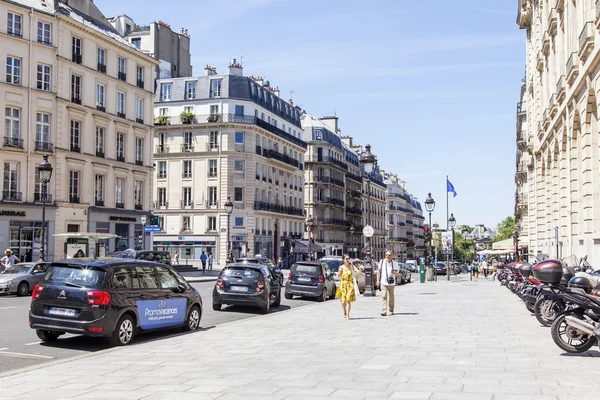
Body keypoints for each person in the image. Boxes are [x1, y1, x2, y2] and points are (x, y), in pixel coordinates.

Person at [376, 251, 401, 316]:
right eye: (386, 255)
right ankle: (383, 311)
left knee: (391, 297)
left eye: (389, 255)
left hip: (391, 283)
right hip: (383, 282)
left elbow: (398, 273)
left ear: (392, 256)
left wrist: (394, 273)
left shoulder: (394, 263)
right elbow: (378, 271)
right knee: (383, 296)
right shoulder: (382, 262)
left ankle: (391, 310)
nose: (388, 256)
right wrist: (378, 280)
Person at [335, 254, 356, 320]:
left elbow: (358, 272)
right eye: (346, 259)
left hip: (350, 285)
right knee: (343, 301)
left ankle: (348, 314)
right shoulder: (341, 267)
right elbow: (338, 276)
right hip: (343, 285)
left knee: (348, 300)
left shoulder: (351, 266)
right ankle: (344, 311)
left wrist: (361, 269)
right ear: (343, 260)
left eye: (348, 258)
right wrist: (340, 272)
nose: (348, 260)